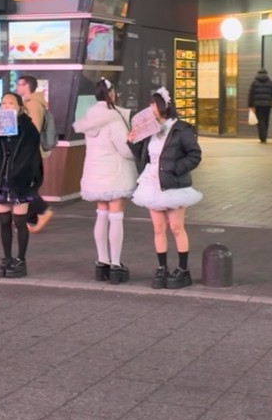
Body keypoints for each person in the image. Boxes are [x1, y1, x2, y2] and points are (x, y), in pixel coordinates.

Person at [130, 87, 203, 290]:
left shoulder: (182, 129)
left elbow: (195, 155)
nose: (149, 107)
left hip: (174, 185)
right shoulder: (150, 130)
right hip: (153, 183)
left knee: (176, 228)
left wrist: (175, 169)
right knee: (158, 228)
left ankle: (183, 269)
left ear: (162, 106)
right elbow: (144, 157)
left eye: (152, 104)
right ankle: (162, 267)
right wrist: (132, 142)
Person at [73, 78, 137, 284]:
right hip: (115, 174)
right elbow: (126, 151)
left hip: (95, 174)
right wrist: (134, 140)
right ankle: (116, 265)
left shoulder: (90, 118)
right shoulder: (114, 119)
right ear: (112, 93)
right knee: (116, 217)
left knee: (101, 214)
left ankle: (102, 262)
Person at [0, 92, 43, 279]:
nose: (6, 106)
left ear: (20, 106)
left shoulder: (27, 127)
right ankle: (6, 258)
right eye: (3, 103)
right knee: (4, 221)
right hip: (0, 179)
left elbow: (31, 153)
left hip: (20, 180)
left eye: (10, 103)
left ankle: (21, 259)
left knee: (20, 221)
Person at [17, 76, 56, 233]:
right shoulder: (34, 103)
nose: (17, 87)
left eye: (19, 84)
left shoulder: (32, 105)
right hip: (32, 152)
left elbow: (32, 130)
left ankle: (43, 210)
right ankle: (30, 220)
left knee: (25, 186)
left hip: (30, 153)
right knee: (28, 185)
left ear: (27, 86)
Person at [247, 69, 272, 143]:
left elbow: (251, 94)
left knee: (260, 121)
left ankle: (262, 137)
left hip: (258, 105)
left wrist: (250, 105)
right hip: (267, 105)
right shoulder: (271, 83)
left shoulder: (254, 83)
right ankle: (265, 136)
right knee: (266, 120)